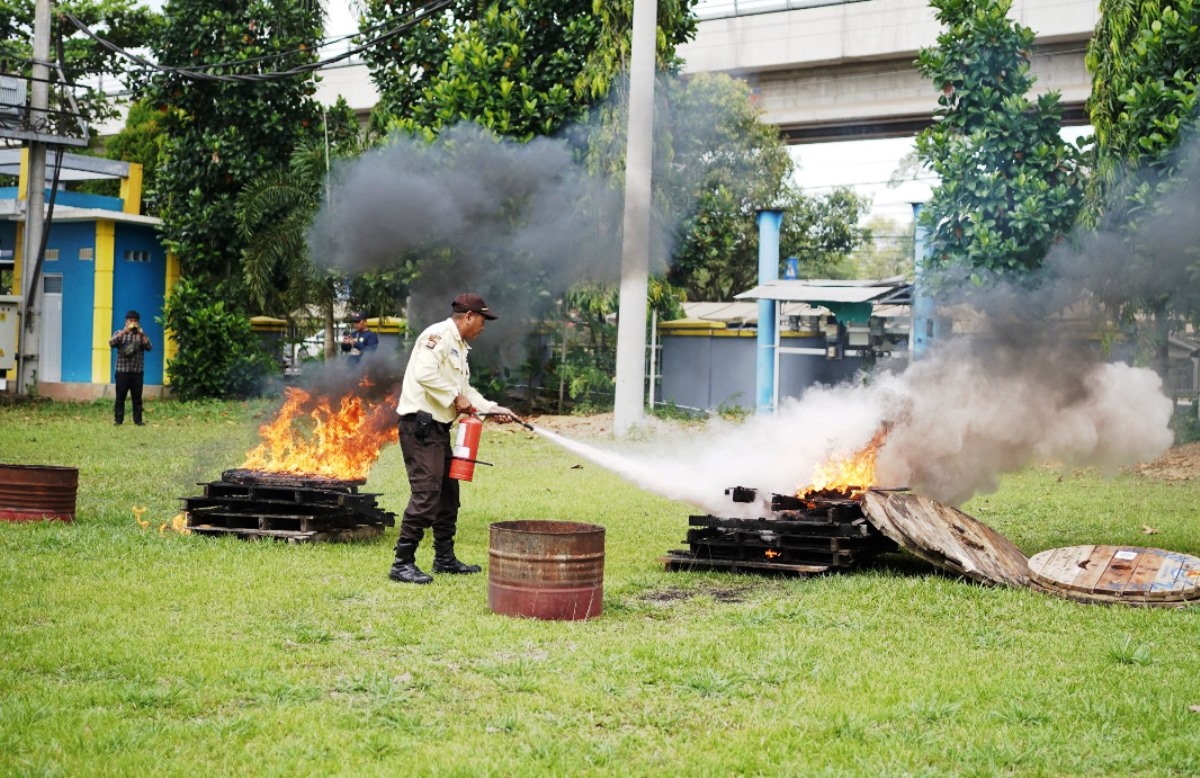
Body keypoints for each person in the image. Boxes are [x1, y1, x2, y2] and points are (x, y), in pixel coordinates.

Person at [389, 293, 516, 584]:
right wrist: (453, 397)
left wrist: (492, 408)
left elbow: (466, 390)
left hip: (438, 430)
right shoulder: (437, 336)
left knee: (448, 496)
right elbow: (424, 374)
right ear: (468, 316)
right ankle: (402, 563)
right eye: (482, 320)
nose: (484, 326)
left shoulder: (460, 347)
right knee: (426, 494)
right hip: (419, 428)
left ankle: (444, 558)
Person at [108, 310, 153, 426]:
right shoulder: (119, 333)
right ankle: (118, 420)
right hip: (122, 371)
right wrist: (124, 332)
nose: (133, 323)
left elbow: (149, 347)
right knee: (120, 397)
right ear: (126, 322)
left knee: (137, 398)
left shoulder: (141, 335)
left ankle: (138, 420)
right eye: (131, 321)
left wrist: (142, 335)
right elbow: (111, 343)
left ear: (138, 323)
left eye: (135, 321)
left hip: (137, 372)